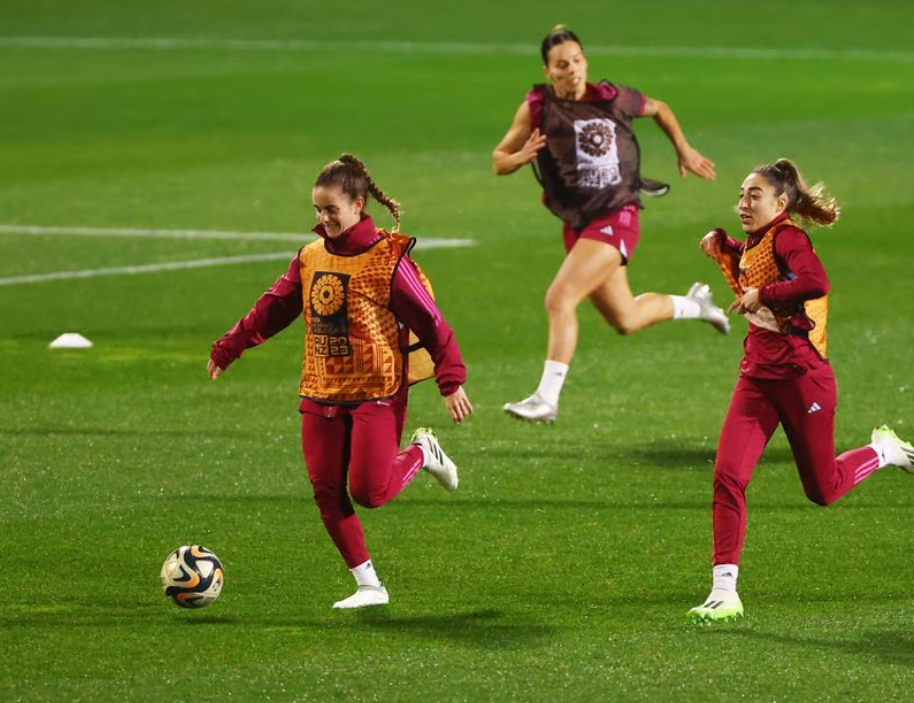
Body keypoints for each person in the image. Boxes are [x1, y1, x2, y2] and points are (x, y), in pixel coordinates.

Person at [207, 154, 473, 609]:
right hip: (321, 387)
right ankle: (369, 584)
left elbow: (432, 323)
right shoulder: (310, 257)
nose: (323, 218)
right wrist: (230, 346)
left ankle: (422, 452)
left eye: (331, 209)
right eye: (316, 209)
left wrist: (451, 380)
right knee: (326, 490)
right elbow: (274, 306)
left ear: (357, 204)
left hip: (377, 389)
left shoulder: (387, 258)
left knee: (368, 492)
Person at [687, 158, 914, 623]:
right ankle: (723, 591)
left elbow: (816, 281)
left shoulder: (791, 237)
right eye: (740, 195)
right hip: (756, 377)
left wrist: (765, 296)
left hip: (802, 379)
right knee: (727, 476)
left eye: (753, 196)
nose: (743, 203)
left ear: (781, 203)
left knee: (824, 489)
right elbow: (752, 264)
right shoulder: (758, 241)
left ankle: (881, 450)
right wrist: (723, 243)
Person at [492, 25, 730, 424]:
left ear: (586, 60)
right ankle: (696, 305)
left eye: (578, 60)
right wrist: (521, 156)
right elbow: (499, 158)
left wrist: (683, 149)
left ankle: (547, 398)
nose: (573, 70)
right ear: (548, 71)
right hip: (579, 224)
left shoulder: (612, 98)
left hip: (617, 215)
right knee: (626, 318)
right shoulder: (538, 108)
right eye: (562, 65)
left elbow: (661, 109)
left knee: (559, 298)